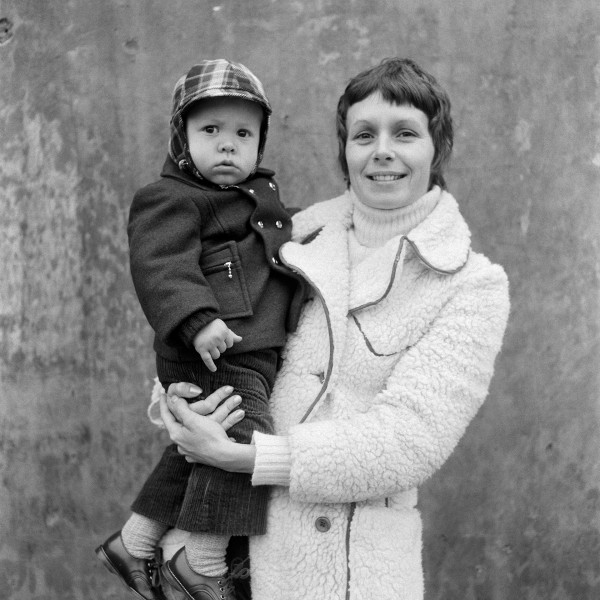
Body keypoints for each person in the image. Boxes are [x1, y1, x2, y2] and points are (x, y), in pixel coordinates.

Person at [154, 57, 510, 600]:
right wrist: (176, 406)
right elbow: (203, 329)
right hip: (226, 558)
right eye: (364, 134)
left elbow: (409, 442)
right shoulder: (288, 237)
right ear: (345, 150)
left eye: (406, 133)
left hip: (344, 572)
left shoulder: (470, 283)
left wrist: (248, 457)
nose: (382, 150)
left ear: (438, 149)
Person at [95, 59, 304, 600]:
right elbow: (161, 266)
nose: (228, 145)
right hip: (210, 346)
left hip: (247, 349)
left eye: (243, 133)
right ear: (182, 139)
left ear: (260, 142)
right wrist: (198, 320)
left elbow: (269, 243)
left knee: (196, 450)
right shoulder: (170, 198)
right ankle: (201, 561)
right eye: (210, 131)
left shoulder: (259, 199)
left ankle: (136, 541)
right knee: (243, 435)